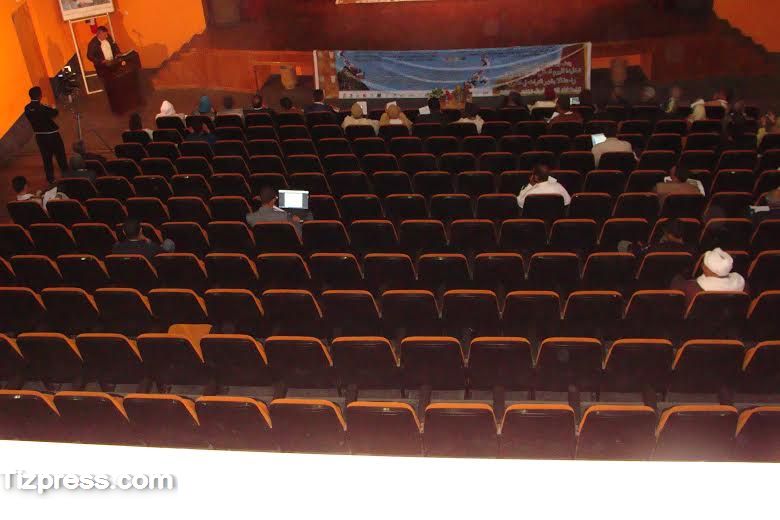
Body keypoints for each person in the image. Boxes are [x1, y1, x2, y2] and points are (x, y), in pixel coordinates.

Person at [671, 248, 746, 305]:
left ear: (705, 268)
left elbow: (673, 292)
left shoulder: (692, 288)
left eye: (703, 263)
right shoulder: (744, 286)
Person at [24, 87, 67, 184]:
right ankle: (66, 174)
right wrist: (53, 107)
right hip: (52, 135)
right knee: (60, 155)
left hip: (40, 137)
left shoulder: (27, 108)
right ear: (40, 96)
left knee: (46, 158)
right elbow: (55, 113)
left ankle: (50, 179)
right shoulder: (43, 108)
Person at [619, 218, 695, 257]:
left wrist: (641, 246)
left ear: (669, 235)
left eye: (665, 233)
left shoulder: (658, 248)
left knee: (622, 244)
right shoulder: (691, 250)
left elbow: (639, 251)